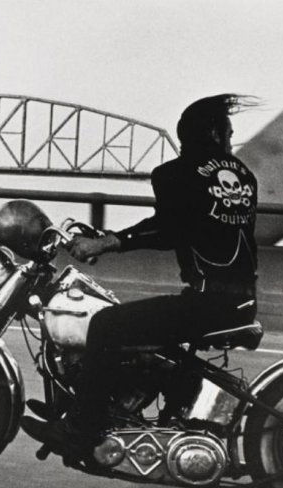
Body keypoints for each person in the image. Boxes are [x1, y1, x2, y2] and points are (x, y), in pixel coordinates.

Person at [21, 93, 261, 455]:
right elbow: (200, 227)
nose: (230, 140)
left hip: (208, 303)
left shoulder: (176, 173)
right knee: (137, 331)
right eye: (228, 132)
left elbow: (168, 230)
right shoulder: (244, 177)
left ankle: (81, 430)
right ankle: (91, 402)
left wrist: (104, 243)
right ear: (213, 133)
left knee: (105, 325)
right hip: (239, 299)